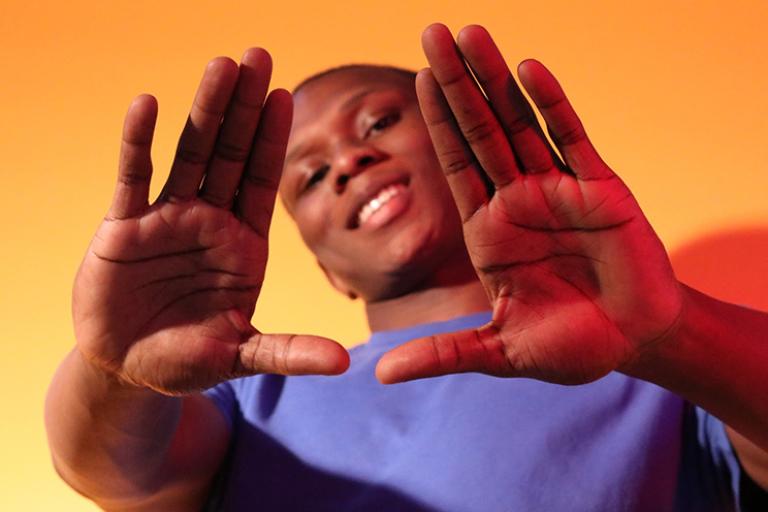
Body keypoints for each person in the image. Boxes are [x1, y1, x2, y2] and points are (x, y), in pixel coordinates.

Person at [45, 24, 768, 511]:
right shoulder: (254, 401)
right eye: (309, 176)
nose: (348, 163)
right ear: (331, 272)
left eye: (379, 123)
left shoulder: (649, 365)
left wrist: (674, 335)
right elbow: (111, 470)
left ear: (469, 148)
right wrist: (114, 370)